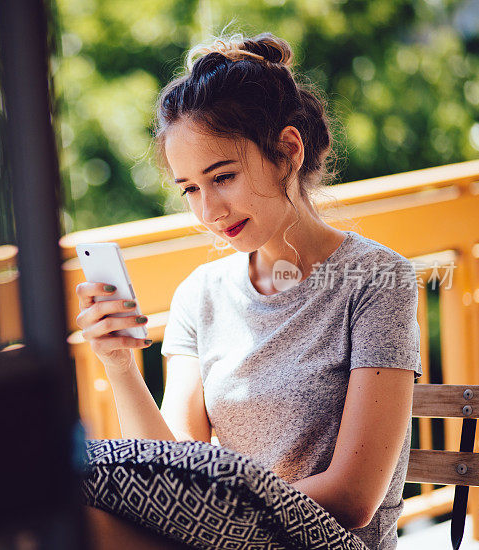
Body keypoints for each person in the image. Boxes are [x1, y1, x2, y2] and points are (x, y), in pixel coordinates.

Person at [76, 31, 421, 550]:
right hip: (221, 535)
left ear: (287, 150)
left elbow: (353, 497)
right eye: (190, 188)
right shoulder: (200, 295)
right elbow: (175, 472)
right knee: (62, 515)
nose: (208, 212)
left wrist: (214, 523)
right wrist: (121, 366)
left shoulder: (376, 280)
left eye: (223, 176)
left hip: (327, 542)